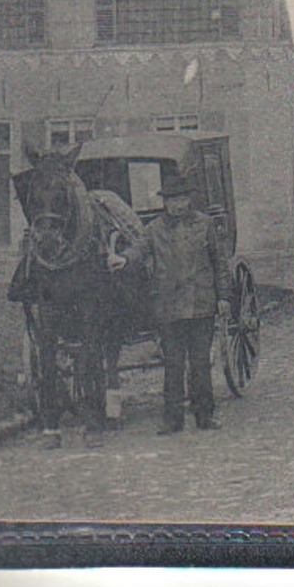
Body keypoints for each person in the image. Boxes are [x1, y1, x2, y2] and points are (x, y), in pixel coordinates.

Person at [117, 174, 231, 433]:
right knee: (173, 363)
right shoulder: (155, 229)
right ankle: (172, 419)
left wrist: (224, 297)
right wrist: (123, 260)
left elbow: (220, 263)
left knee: (200, 363)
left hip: (201, 304)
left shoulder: (205, 225)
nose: (178, 205)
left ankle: (205, 415)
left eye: (182, 199)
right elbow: (140, 249)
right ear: (165, 203)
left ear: (189, 200)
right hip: (168, 307)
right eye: (173, 201)